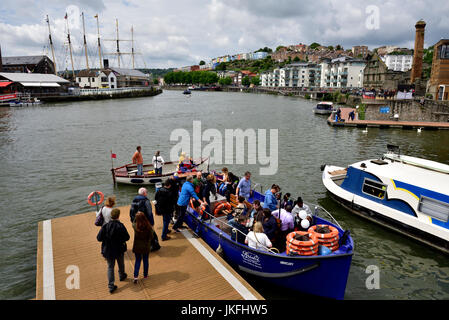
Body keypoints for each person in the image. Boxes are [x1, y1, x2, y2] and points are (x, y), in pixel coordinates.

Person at [96, 208, 130, 294]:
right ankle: (122, 275)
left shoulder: (105, 226)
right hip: (119, 249)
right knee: (121, 263)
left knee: (110, 267)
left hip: (108, 250)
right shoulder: (120, 226)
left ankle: (111, 286)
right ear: (118, 216)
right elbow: (127, 237)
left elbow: (99, 238)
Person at [132, 212, 154, 284]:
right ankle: (145, 275)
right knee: (145, 260)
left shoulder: (135, 226)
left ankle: (135, 276)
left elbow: (133, 222)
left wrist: (136, 217)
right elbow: (152, 236)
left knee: (137, 260)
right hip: (146, 246)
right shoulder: (148, 226)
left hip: (137, 246)